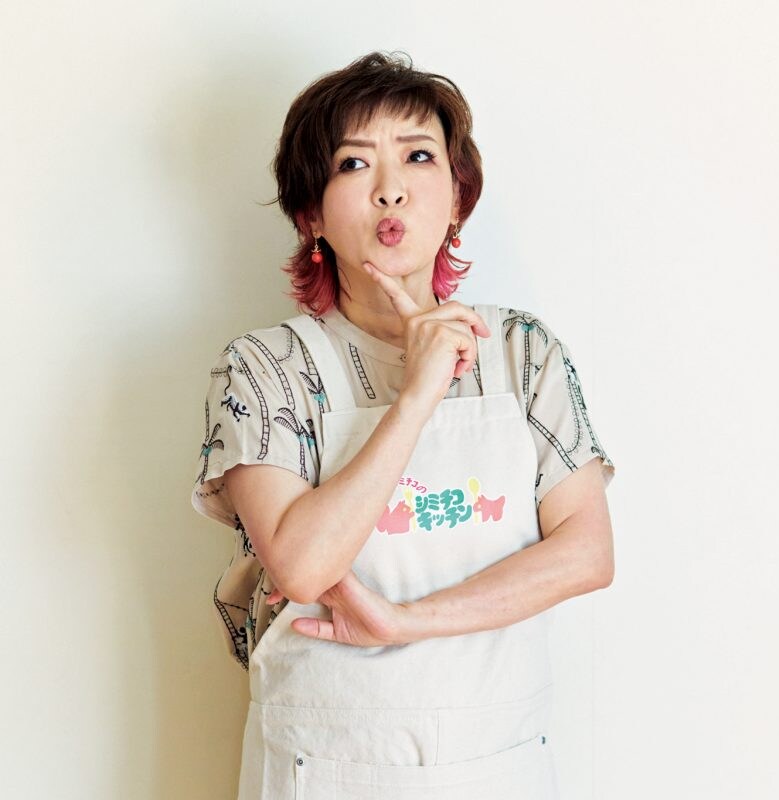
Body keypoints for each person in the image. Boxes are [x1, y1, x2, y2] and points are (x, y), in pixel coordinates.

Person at [190, 51, 616, 800]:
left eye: (419, 156)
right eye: (353, 164)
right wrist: (417, 393)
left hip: (499, 762)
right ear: (312, 215)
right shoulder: (265, 368)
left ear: (457, 198)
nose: (390, 188)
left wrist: (404, 622)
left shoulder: (522, 352)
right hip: (323, 765)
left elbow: (586, 553)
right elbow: (302, 566)